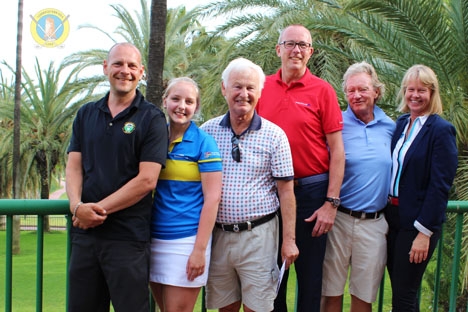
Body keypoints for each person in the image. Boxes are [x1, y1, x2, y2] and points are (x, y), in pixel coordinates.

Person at [65, 42, 168, 312]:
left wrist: (96, 210)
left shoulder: (152, 118)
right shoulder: (86, 114)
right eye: (118, 64)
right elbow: (74, 166)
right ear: (105, 68)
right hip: (85, 236)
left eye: (132, 65)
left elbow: (147, 180)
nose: (125, 71)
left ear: (142, 71)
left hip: (128, 239)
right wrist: (76, 206)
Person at [256, 24, 345, 311]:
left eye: (302, 45)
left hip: (311, 195)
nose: (296, 50)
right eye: (290, 43)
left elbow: (337, 150)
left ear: (310, 52)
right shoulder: (261, 87)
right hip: (270, 194)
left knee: (310, 277)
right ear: (278, 49)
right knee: (274, 277)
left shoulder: (323, 90)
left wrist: (331, 203)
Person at [200, 57, 299, 312]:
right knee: (225, 307)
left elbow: (286, 192)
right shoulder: (207, 132)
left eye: (250, 88)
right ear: (224, 88)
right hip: (219, 236)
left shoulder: (275, 135)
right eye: (237, 86)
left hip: (260, 237)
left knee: (259, 307)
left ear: (259, 92)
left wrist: (289, 241)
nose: (244, 94)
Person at [321, 62, 395, 312]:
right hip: (338, 220)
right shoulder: (336, 125)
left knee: (364, 296)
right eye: (350, 91)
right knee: (330, 292)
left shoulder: (391, 127)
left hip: (374, 224)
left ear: (376, 91)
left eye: (362, 89)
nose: (356, 96)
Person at [386, 64, 458, 311]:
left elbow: (440, 186)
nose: (415, 95)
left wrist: (424, 233)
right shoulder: (401, 124)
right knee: (402, 290)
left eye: (422, 91)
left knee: (403, 296)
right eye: (410, 89)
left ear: (432, 94)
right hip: (392, 218)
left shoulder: (441, 130)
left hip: (417, 224)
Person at [149, 77, 222, 312]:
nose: (182, 106)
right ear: (165, 101)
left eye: (189, 101)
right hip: (153, 238)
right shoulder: (154, 137)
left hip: (186, 241)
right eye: (176, 99)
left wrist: (199, 250)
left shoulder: (204, 142)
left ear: (196, 107)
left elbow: (212, 198)